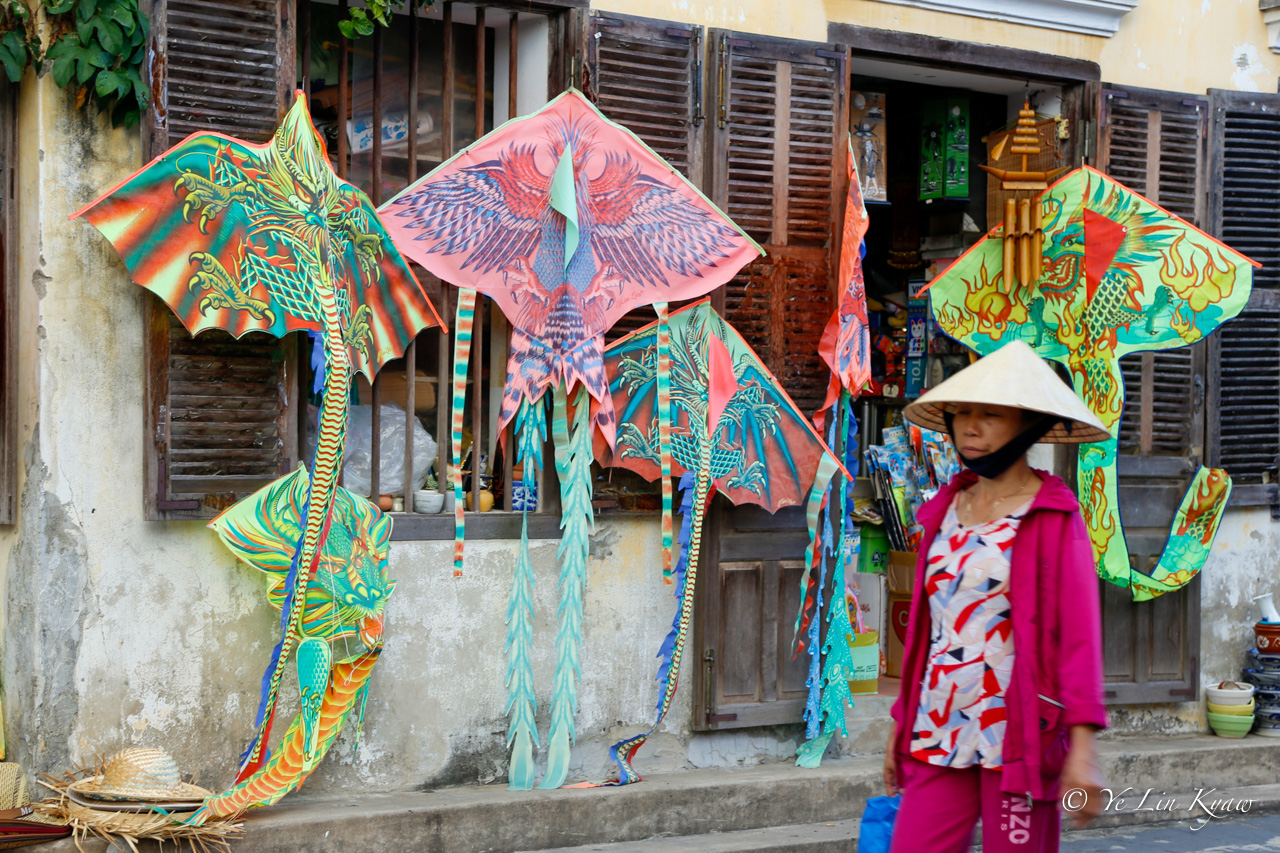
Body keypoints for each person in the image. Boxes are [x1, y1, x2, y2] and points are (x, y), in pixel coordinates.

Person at [884, 340, 1110, 853]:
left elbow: (1077, 638)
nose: (970, 426)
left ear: (1027, 425)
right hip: (936, 726)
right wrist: (901, 728)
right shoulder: (943, 510)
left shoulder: (1053, 516)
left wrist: (1082, 749)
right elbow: (929, 632)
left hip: (1019, 739)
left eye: (990, 414)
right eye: (962, 412)